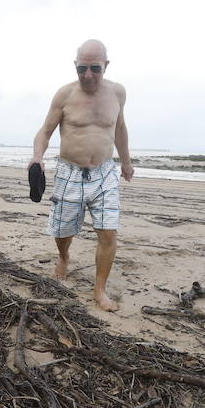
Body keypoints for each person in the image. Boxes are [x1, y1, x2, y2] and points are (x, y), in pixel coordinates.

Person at [29, 39, 133, 311]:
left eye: (95, 69)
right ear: (75, 66)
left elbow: (119, 128)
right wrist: (37, 158)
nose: (88, 75)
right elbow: (45, 131)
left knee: (108, 232)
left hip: (105, 173)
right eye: (82, 69)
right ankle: (63, 257)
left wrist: (126, 162)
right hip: (69, 171)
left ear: (106, 65)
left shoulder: (118, 93)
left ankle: (100, 289)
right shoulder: (64, 95)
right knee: (63, 230)